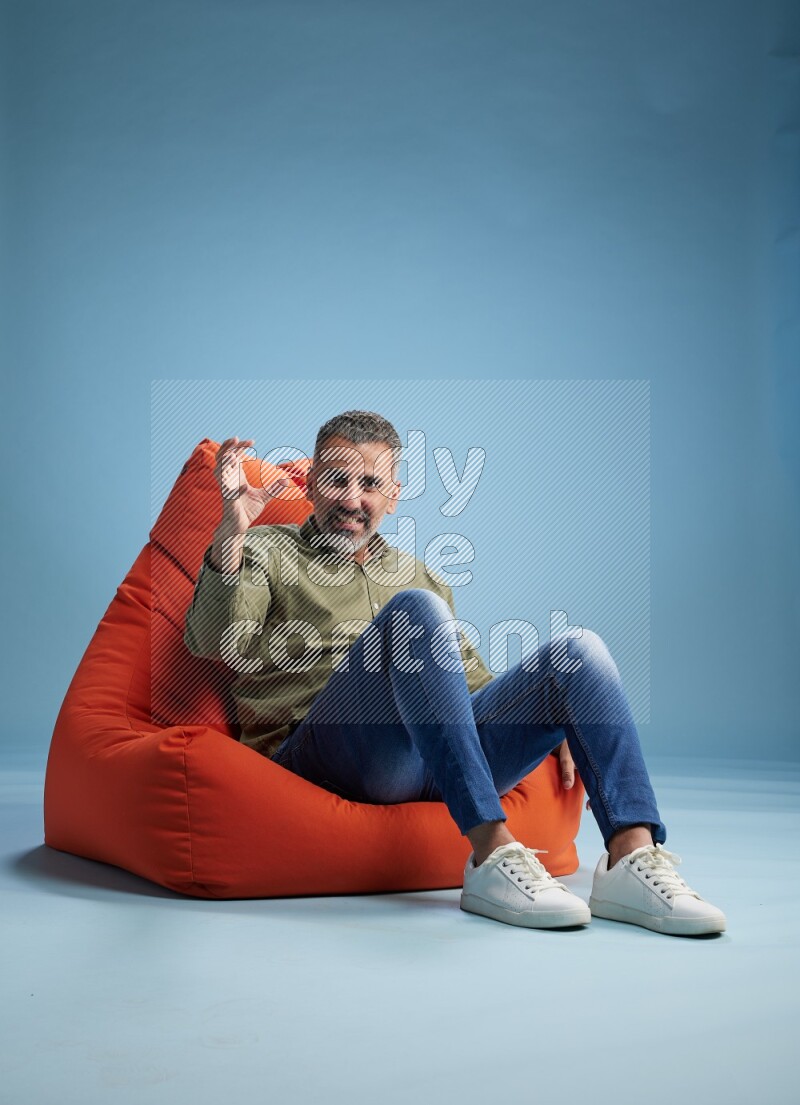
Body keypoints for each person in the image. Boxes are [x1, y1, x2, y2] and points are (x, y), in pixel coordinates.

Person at [184, 409, 726, 937]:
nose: (352, 498)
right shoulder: (263, 549)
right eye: (336, 480)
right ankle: (491, 854)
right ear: (312, 487)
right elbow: (213, 641)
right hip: (326, 752)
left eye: (370, 483)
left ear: (393, 496)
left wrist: (561, 715)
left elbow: (469, 686)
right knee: (416, 612)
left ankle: (631, 858)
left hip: (432, 761)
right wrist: (232, 530)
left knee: (579, 653)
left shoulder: (417, 573)